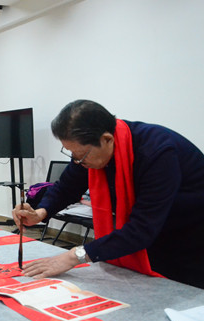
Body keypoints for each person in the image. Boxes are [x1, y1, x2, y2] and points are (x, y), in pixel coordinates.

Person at [13, 100, 204, 289]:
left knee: (182, 295)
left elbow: (142, 229)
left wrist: (73, 256)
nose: (77, 162)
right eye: (72, 154)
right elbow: (67, 187)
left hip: (189, 236)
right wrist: (40, 213)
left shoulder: (157, 153)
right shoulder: (89, 151)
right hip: (151, 232)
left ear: (107, 139)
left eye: (80, 155)